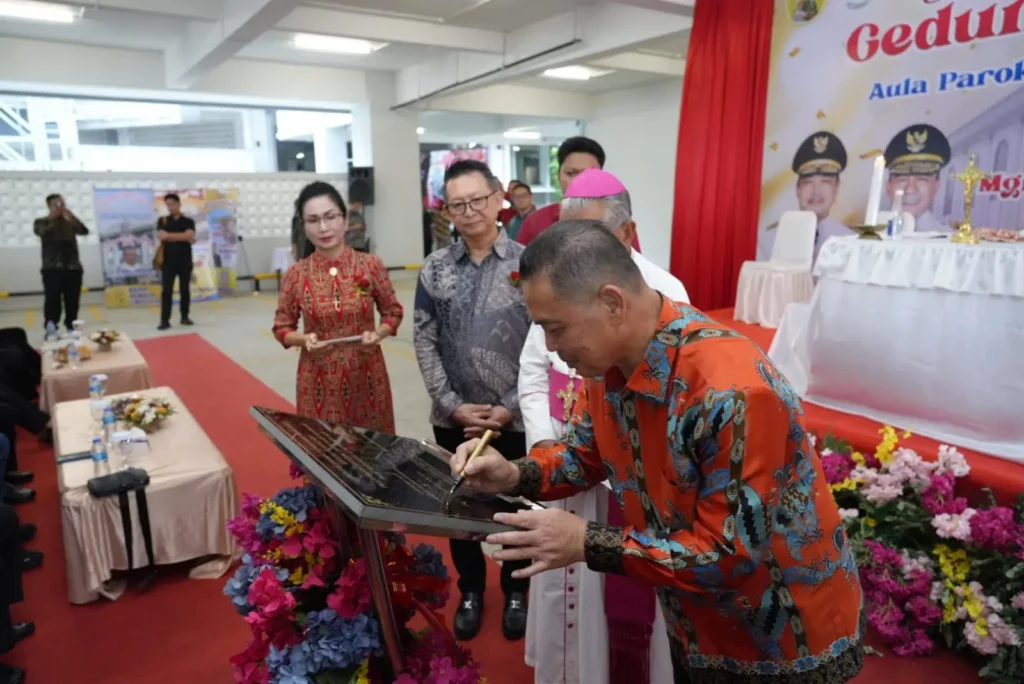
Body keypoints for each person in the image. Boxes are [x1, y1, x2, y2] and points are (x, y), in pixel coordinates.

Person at [450, 221, 865, 684]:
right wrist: (511, 474)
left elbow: (729, 554)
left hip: (781, 636)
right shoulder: (609, 367)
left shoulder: (731, 390)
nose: (551, 347)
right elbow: (585, 455)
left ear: (612, 302)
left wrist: (586, 541)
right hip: (694, 621)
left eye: (556, 327)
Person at [520, 169, 684, 684]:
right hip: (565, 466)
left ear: (627, 233)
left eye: (587, 237)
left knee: (615, 610)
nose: (572, 250)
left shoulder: (665, 293)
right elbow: (532, 370)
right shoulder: (560, 282)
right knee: (558, 593)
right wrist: (538, 448)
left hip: (625, 488)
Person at [413, 159, 531, 642]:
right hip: (454, 418)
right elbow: (423, 338)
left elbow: (545, 342)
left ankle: (517, 590)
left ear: (498, 195)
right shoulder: (436, 268)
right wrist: (451, 403)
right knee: (459, 512)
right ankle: (471, 590)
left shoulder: (530, 262)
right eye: (457, 204)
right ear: (447, 210)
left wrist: (511, 404)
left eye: (478, 200)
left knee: (516, 509)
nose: (469, 211)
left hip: (517, 418)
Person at [273, 181, 403, 432]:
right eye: (313, 220)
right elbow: (282, 328)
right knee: (323, 454)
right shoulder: (296, 275)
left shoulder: (370, 265)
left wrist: (378, 333)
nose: (323, 227)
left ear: (344, 219)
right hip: (318, 381)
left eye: (330, 217)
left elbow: (393, 312)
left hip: (367, 376)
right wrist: (304, 340)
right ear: (304, 226)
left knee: (373, 454)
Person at [516, 137, 640, 251]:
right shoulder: (534, 222)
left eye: (589, 174)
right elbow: (519, 271)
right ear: (559, 175)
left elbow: (634, 270)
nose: (579, 181)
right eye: (571, 173)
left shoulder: (619, 223)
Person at [33, 194, 89, 332]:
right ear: (49, 206)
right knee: (52, 299)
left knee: (73, 300)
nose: (60, 207)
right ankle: (51, 325)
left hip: (73, 268)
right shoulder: (41, 221)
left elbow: (84, 231)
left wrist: (72, 217)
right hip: (51, 268)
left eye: (62, 203)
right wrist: (52, 218)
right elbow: (40, 232)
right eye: (56, 204)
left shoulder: (69, 222)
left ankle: (71, 326)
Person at [884, 123, 952, 233]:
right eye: (902, 180)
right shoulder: (863, 241)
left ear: (936, 186)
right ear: (888, 187)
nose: (910, 189)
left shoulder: (951, 241)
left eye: (921, 180)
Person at [793, 131, 849, 258]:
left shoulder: (850, 242)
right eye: (808, 182)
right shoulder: (770, 240)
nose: (816, 191)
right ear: (798, 190)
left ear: (836, 189)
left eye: (825, 182)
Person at [157, 193, 196, 331]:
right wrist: (181, 237)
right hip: (168, 261)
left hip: (185, 260)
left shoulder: (188, 221)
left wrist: (170, 236)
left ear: (179, 204)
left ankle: (184, 316)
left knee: (184, 289)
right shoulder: (162, 221)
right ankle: (164, 320)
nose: (170, 206)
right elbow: (161, 236)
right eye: (168, 204)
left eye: (173, 203)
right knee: (166, 290)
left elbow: (189, 235)